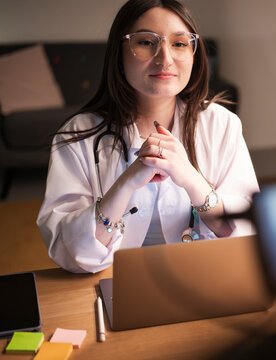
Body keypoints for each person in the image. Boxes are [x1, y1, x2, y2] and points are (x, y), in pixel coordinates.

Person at [37, 0, 258, 274]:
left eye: (179, 43)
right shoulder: (76, 135)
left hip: (204, 278)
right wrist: (126, 183)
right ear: (119, 53)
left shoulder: (222, 124)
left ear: (194, 53)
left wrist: (191, 180)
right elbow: (69, 252)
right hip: (109, 283)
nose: (165, 58)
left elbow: (247, 232)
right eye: (145, 42)